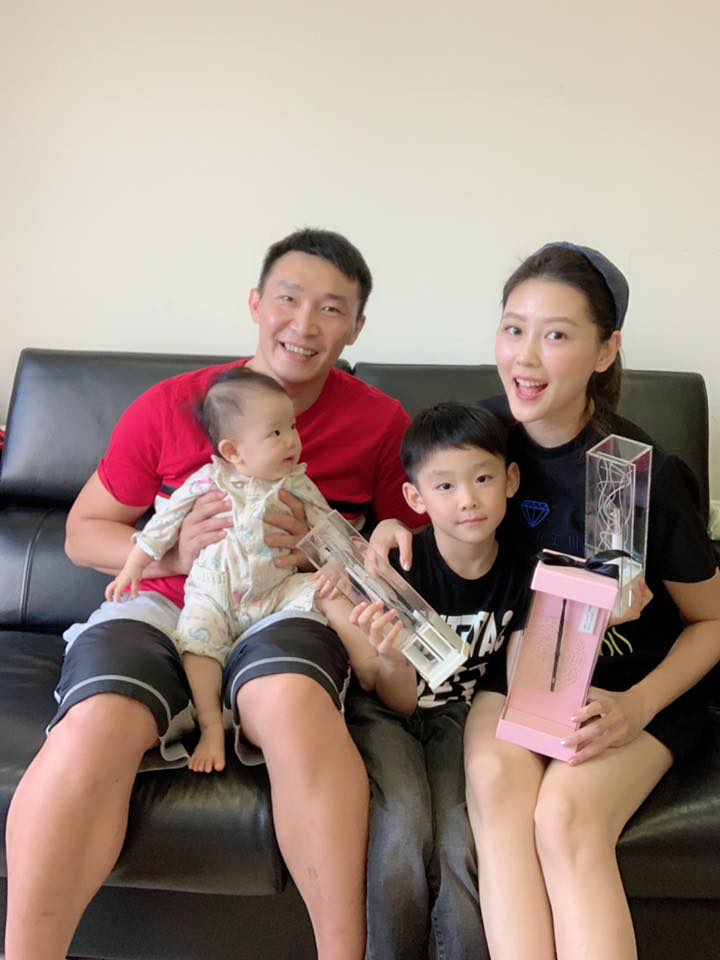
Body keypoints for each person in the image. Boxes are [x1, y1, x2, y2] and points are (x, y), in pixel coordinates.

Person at [5, 228, 421, 960]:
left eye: (331, 309)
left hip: (285, 601)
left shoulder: (380, 422)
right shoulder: (173, 405)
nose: (304, 323)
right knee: (98, 720)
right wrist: (170, 549)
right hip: (165, 601)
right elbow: (81, 533)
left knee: (292, 705)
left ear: (356, 328)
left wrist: (339, 546)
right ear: (256, 304)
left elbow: (408, 540)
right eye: (288, 298)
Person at [372, 242, 720, 960]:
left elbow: (713, 620)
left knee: (563, 817)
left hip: (629, 685)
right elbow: (426, 507)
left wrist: (638, 708)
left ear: (605, 350)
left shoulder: (639, 472)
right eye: (513, 328)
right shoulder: (482, 437)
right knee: (496, 785)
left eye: (556, 334)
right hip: (524, 670)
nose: (525, 357)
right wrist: (385, 529)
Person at [105, 366, 381, 773]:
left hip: (276, 589)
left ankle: (371, 664)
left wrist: (335, 563)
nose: (292, 440)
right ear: (233, 451)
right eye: (276, 433)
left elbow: (329, 529)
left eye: (292, 427)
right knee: (196, 646)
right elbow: (162, 526)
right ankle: (211, 725)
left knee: (328, 591)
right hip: (214, 591)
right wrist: (134, 566)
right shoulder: (208, 481)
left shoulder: (297, 483)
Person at [345, 400, 530, 960]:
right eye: (445, 486)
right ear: (415, 498)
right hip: (387, 712)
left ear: (510, 480)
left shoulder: (523, 573)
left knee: (460, 837)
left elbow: (520, 676)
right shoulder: (403, 566)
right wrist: (391, 656)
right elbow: (396, 698)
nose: (467, 499)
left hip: (458, 719)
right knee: (402, 829)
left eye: (482, 479)